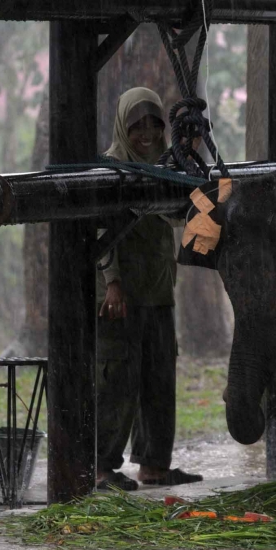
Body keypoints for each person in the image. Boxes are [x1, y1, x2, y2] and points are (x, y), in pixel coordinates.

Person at [96, 87, 202, 490]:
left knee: (160, 378)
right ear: (123, 125)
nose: (145, 132)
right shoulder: (110, 167)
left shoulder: (165, 164)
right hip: (119, 296)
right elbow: (102, 230)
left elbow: (182, 213)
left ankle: (155, 465)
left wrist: (190, 152)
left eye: (153, 123)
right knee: (118, 381)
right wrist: (113, 283)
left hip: (158, 291)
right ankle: (102, 468)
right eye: (136, 124)